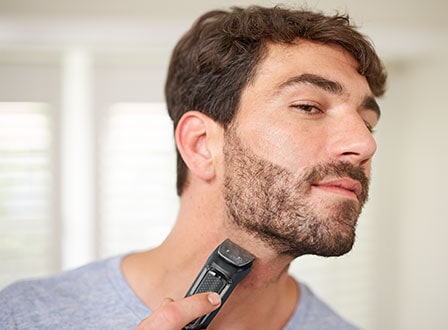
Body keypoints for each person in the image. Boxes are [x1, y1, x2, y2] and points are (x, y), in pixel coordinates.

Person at [0, 5, 387, 330]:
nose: (364, 143)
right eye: (309, 107)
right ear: (201, 146)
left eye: (367, 123)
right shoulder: (22, 316)